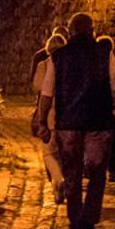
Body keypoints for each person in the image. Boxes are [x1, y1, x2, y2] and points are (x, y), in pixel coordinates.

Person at [35, 13, 115, 229]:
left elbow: (47, 93)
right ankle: (89, 218)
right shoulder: (105, 53)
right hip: (99, 121)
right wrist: (113, 109)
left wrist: (42, 121)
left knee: (72, 171)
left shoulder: (58, 57)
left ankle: (75, 219)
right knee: (97, 172)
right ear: (92, 30)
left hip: (68, 122)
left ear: (70, 31)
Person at [32, 33, 68, 204]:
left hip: (51, 114)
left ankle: (58, 180)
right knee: (65, 153)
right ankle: (59, 188)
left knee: (48, 153)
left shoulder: (45, 65)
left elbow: (39, 88)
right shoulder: (70, 64)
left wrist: (41, 120)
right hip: (69, 114)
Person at [97, 35, 115, 183]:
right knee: (112, 141)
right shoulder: (112, 63)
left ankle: (95, 167)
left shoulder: (91, 62)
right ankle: (112, 170)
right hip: (109, 107)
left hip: (95, 108)